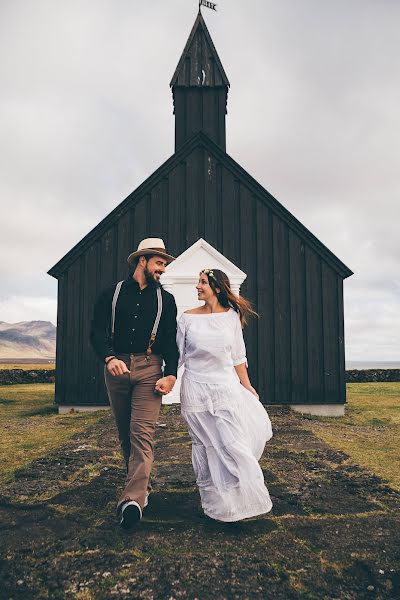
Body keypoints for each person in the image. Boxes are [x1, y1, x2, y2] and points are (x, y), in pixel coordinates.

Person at [90, 238, 179, 529]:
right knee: (126, 435)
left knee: (142, 434)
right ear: (143, 260)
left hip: (149, 368)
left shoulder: (166, 300)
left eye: (164, 264)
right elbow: (96, 333)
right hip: (116, 368)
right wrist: (108, 358)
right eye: (159, 263)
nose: (163, 269)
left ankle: (131, 501)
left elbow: (170, 341)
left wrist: (171, 373)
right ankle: (142, 489)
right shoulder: (111, 294)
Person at [177, 268, 273, 522]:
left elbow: (237, 357)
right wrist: (165, 378)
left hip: (225, 389)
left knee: (231, 443)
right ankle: (217, 507)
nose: (197, 286)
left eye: (202, 282)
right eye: (198, 282)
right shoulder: (186, 318)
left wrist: (247, 386)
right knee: (205, 445)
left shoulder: (232, 318)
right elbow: (176, 357)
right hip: (195, 390)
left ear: (217, 288)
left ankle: (244, 501)